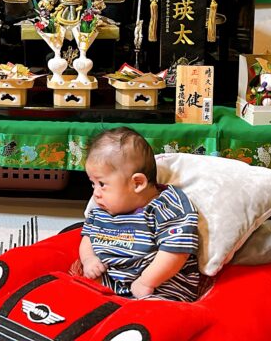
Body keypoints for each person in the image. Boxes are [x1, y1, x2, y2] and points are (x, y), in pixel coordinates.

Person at [76, 127, 201, 301]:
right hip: (112, 286)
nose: (96, 193)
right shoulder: (102, 211)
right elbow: (88, 237)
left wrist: (146, 281)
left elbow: (176, 251)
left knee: (155, 312)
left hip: (160, 289)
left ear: (137, 183)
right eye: (93, 184)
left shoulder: (165, 207)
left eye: (102, 184)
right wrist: (89, 259)